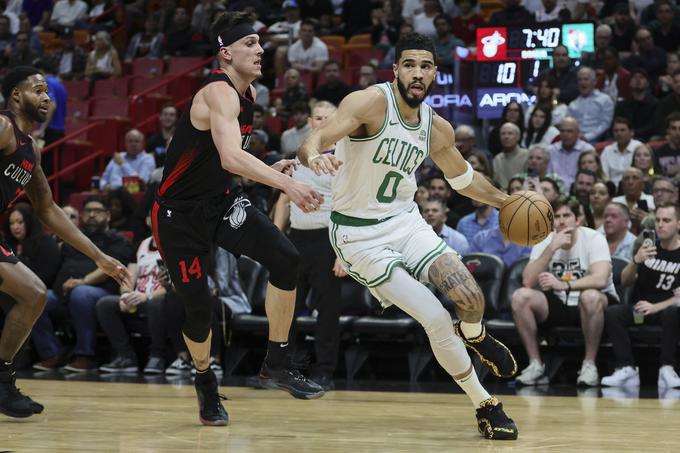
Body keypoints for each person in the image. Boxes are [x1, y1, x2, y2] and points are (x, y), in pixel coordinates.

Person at [298, 32, 519, 440]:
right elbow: (317, 138)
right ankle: (485, 403)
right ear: (396, 69)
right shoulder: (369, 102)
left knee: (470, 296)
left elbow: (464, 180)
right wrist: (312, 154)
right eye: (410, 65)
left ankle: (476, 335)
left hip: (406, 221)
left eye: (426, 66)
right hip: (358, 235)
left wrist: (507, 200)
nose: (417, 73)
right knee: (435, 317)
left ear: (435, 73)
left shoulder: (436, 127)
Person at [151, 12, 326, 427]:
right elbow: (231, 157)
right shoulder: (219, 91)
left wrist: (270, 165)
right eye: (250, 43)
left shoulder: (247, 96)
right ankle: (204, 380)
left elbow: (225, 159)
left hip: (221, 202)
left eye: (260, 43)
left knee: (286, 259)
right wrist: (287, 186)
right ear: (225, 52)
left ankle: (278, 362)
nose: (261, 49)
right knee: (200, 310)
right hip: (178, 217)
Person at [0, 66, 130, 418]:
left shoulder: (30, 150)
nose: (47, 97)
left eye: (49, 91)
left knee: (34, 294)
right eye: (38, 90)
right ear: (16, 96)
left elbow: (48, 209)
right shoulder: (3, 127)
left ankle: (2, 380)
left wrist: (99, 256)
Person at [271, 100, 343, 390]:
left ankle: (325, 370)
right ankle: (287, 367)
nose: (322, 122)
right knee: (286, 307)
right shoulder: (298, 159)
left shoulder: (342, 160)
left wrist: (342, 253)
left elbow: (345, 208)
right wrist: (275, 239)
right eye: (318, 117)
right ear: (310, 122)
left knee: (327, 311)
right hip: (297, 238)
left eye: (329, 118)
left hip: (327, 240)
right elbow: (284, 199)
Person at [511, 196, 618, 386]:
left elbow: (600, 279)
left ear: (578, 220)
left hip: (596, 304)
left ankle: (589, 364)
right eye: (556, 216)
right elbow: (527, 281)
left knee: (590, 296)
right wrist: (551, 248)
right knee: (520, 297)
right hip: (560, 303)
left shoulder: (594, 238)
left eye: (566, 215)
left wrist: (564, 285)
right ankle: (536, 364)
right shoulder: (545, 241)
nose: (561, 221)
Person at [601, 203, 680, 388]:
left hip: (667, 311)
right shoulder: (648, 247)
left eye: (666, 220)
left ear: (678, 224)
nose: (660, 225)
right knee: (613, 313)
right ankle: (626, 367)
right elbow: (625, 281)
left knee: (673, 312)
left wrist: (656, 307)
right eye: (658, 220)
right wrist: (636, 260)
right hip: (640, 311)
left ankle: (667, 369)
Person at [3, 204, 60, 286]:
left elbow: (48, 275)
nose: (15, 227)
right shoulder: (7, 243)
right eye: (12, 223)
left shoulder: (46, 242)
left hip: (41, 289)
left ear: (29, 221)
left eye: (20, 222)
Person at [567, 67, 615, 143]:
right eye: (580, 80)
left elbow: (606, 124)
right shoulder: (573, 104)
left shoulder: (605, 100)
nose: (582, 83)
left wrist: (587, 137)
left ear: (594, 81)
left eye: (586, 79)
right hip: (576, 140)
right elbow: (569, 125)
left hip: (599, 140)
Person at [547, 117, 595, 189]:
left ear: (578, 133)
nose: (565, 134)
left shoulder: (587, 150)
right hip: (554, 192)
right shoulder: (551, 150)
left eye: (569, 131)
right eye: (562, 131)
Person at [600, 118, 643, 186]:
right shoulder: (607, 151)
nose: (619, 133)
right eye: (616, 131)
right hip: (612, 189)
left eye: (622, 130)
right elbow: (604, 176)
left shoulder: (639, 148)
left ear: (631, 132)